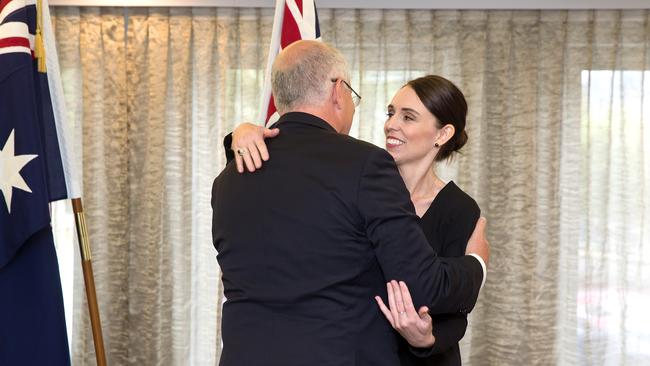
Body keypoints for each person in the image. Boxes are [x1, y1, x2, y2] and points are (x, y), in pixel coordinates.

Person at [211, 40, 489, 366]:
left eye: (408, 116)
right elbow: (424, 284)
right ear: (337, 90)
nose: (391, 124)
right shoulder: (365, 168)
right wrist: (477, 265)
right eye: (390, 113)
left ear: (442, 134)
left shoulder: (228, 180)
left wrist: (239, 136)